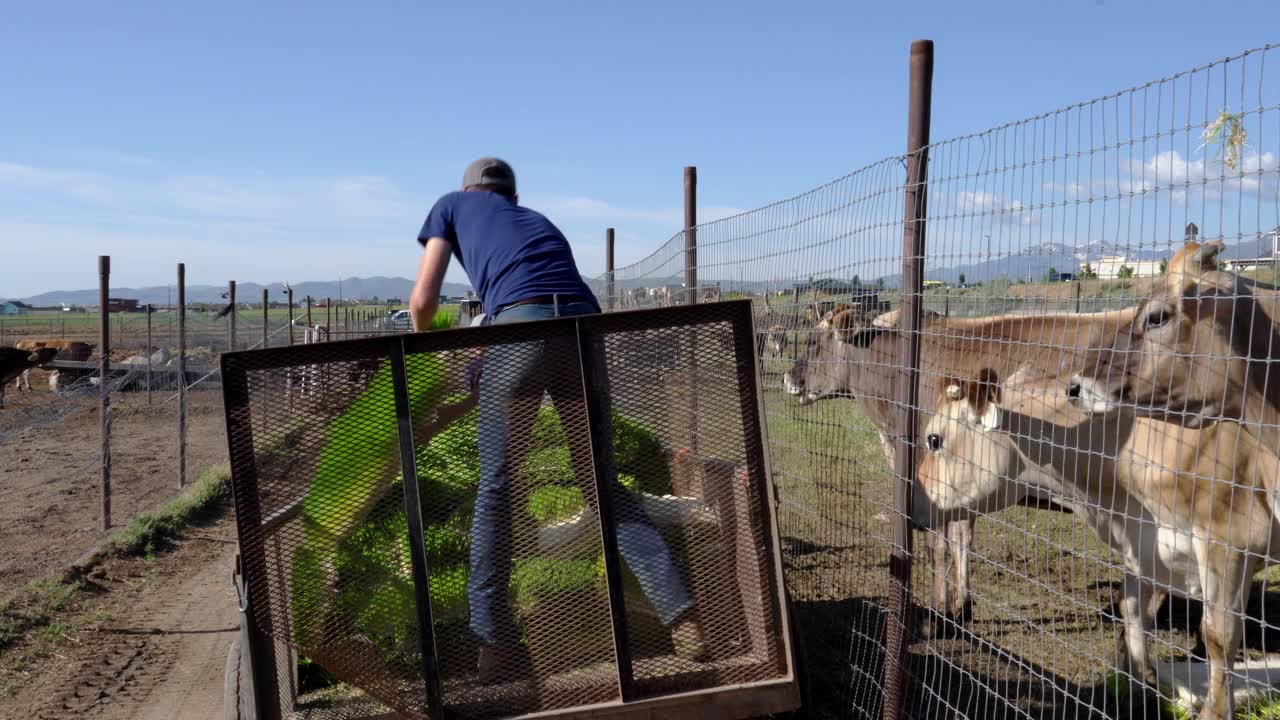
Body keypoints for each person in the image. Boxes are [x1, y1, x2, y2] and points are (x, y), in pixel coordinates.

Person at [409, 157, 706, 681]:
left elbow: (423, 300)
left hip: (521, 332)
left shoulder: (450, 206)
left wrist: (426, 353)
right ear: (512, 196)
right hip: (583, 335)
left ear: (468, 189)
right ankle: (683, 619)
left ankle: (493, 646)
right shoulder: (538, 220)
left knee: (497, 489)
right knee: (601, 486)